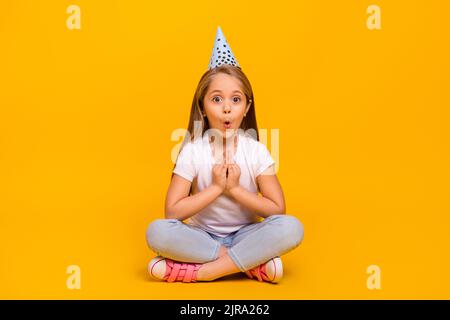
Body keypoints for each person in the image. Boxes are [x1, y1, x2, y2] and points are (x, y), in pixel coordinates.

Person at [146, 26, 304, 283]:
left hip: (246, 233)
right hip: (202, 237)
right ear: (203, 107)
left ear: (246, 107)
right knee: (157, 232)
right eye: (217, 99)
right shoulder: (192, 151)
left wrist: (236, 190)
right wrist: (218, 188)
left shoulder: (255, 151)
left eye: (236, 100)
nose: (227, 109)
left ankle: (202, 272)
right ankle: (251, 265)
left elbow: (277, 209)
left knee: (292, 227)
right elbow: (172, 213)